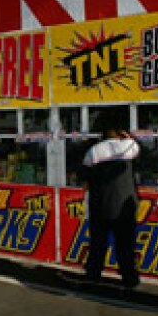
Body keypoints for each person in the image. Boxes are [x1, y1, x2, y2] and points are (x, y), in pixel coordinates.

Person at [63, 123, 141, 288]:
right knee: (125, 244)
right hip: (124, 205)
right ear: (120, 133)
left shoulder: (94, 151)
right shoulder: (129, 146)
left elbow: (84, 178)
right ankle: (130, 278)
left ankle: (93, 273)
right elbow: (138, 151)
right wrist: (128, 138)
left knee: (98, 242)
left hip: (101, 204)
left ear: (101, 135)